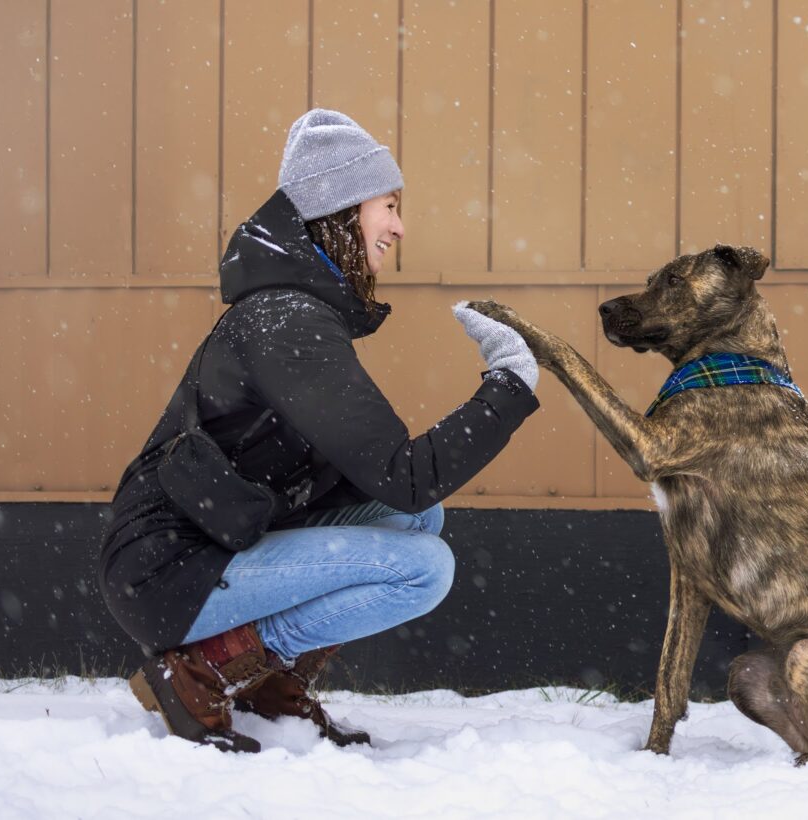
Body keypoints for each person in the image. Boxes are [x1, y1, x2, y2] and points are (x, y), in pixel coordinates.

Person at [98, 109, 540, 753]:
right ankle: (208, 669)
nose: (398, 226)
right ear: (338, 207)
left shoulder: (294, 311)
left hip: (222, 537)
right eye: (387, 205)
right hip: (170, 570)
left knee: (420, 523)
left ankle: (261, 686)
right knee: (424, 569)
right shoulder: (285, 322)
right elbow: (406, 474)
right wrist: (508, 385)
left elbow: (390, 487)